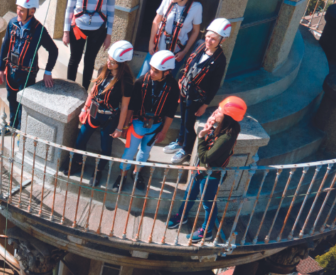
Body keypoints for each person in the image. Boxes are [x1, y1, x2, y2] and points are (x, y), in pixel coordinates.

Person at [167, 96, 247, 242]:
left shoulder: (226, 137)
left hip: (211, 175)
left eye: (219, 111)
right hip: (201, 171)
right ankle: (182, 216)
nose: (215, 112)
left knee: (207, 203)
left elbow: (205, 157)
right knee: (189, 194)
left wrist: (201, 136)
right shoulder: (220, 128)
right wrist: (209, 127)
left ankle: (207, 231)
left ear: (227, 116)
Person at [61, 40, 134, 185]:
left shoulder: (126, 81)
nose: (108, 63)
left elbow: (125, 107)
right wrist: (84, 109)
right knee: (80, 139)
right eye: (108, 59)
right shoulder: (103, 69)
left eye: (112, 62)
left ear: (121, 63)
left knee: (106, 147)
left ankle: (98, 171)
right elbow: (93, 91)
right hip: (94, 112)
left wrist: (119, 128)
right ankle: (78, 163)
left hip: (109, 117)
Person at [112, 50, 180, 192]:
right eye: (151, 69)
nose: (151, 73)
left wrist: (163, 131)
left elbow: (170, 112)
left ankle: (137, 173)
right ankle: (122, 176)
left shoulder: (173, 87)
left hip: (155, 126)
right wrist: (125, 125)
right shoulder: (141, 82)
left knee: (145, 152)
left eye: (156, 71)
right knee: (129, 152)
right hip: (138, 124)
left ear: (166, 72)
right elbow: (131, 106)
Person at [167, 18, 231, 165]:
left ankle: (186, 149)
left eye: (213, 39)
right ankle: (180, 140)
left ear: (222, 40)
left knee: (189, 123)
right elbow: (187, 64)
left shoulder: (220, 60)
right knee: (183, 118)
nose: (209, 41)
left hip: (196, 97)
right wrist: (181, 81)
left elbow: (215, 85)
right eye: (208, 36)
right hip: (185, 90)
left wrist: (205, 104)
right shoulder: (199, 45)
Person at [0, 0, 59, 135]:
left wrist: (48, 71)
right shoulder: (12, 24)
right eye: (18, 9)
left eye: (22, 10)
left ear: (32, 11)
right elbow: (5, 46)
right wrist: (0, 68)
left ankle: (21, 131)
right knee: (12, 99)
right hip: (11, 70)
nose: (18, 13)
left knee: (23, 104)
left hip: (27, 74)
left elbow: (54, 50)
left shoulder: (38, 30)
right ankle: (13, 126)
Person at [63, 0, 116, 90]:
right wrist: (66, 32)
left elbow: (111, 11)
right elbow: (69, 7)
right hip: (78, 27)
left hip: (98, 30)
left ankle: (84, 90)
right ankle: (70, 89)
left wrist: (108, 35)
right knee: (74, 59)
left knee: (89, 61)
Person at [141, 0, 203, 78]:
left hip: (175, 54)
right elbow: (156, 21)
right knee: (143, 78)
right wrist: (151, 42)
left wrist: (184, 51)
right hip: (157, 48)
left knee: (165, 83)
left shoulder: (196, 7)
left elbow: (196, 31)